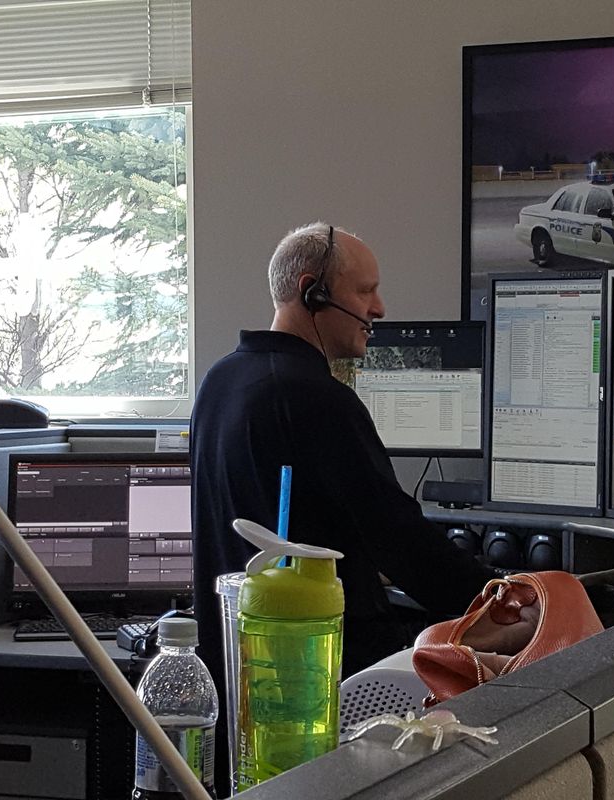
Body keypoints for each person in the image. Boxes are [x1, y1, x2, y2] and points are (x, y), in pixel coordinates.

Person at [190, 222, 494, 794]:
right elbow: (400, 540)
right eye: (364, 292)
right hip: (325, 682)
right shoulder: (312, 395)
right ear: (312, 292)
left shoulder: (221, 379)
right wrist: (502, 603)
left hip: (246, 677)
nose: (378, 308)